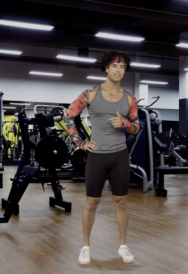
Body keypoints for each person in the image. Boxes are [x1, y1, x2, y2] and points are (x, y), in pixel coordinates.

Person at [64, 51, 140, 264]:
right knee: (91, 202)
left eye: (122, 67)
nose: (118, 70)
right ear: (106, 68)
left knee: (121, 201)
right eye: (115, 66)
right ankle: (85, 246)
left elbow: (137, 127)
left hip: (119, 155)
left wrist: (125, 125)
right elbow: (68, 116)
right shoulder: (90, 94)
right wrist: (80, 143)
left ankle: (123, 246)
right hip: (97, 155)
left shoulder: (129, 98)